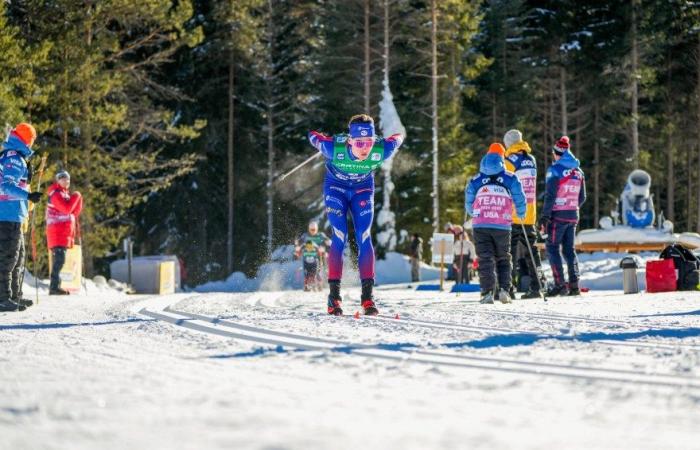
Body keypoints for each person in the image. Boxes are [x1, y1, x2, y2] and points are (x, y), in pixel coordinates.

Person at [308, 114, 404, 315]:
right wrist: (322, 137)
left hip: (362, 189)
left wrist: (393, 139)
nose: (364, 148)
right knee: (340, 235)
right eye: (359, 142)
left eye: (368, 142)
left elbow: (397, 137)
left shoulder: (380, 150)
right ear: (350, 140)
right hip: (336, 189)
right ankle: (334, 298)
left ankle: (367, 298)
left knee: (364, 235)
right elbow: (313, 135)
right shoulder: (334, 148)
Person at [465, 143, 526, 304]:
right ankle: (505, 290)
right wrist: (521, 213)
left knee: (485, 259)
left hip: (480, 224)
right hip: (502, 224)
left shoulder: (476, 179)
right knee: (503, 258)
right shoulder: (510, 177)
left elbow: (469, 202)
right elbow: (519, 196)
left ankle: (487, 292)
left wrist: (477, 213)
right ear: (502, 158)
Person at [0, 123, 42, 312]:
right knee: (8, 257)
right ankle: (3, 297)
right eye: (32, 140)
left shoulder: (15, 156)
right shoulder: (14, 158)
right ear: (27, 139)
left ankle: (14, 295)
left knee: (18, 257)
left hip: (14, 214)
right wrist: (28, 196)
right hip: (7, 213)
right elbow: (6, 185)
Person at [540, 136, 586, 296]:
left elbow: (550, 195)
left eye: (554, 153)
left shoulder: (555, 170)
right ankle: (574, 285)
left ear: (557, 153)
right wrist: (572, 207)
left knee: (552, 248)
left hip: (558, 215)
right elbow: (583, 197)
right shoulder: (578, 171)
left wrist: (545, 216)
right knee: (569, 250)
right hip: (573, 215)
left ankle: (559, 284)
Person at [503, 129, 545, 299]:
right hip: (530, 213)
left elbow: (505, 184)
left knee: (509, 252)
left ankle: (509, 288)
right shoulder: (531, 159)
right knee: (532, 252)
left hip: (513, 213)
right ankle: (538, 285)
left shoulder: (509, 161)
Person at [46, 170, 83, 295]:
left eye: (67, 179)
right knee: (59, 260)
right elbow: (67, 209)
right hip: (57, 232)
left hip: (64, 233)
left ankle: (56, 286)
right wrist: (76, 196)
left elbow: (74, 213)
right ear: (58, 181)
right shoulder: (55, 194)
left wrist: (78, 199)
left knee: (60, 260)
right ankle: (54, 287)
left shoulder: (65, 194)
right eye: (62, 179)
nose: (66, 181)